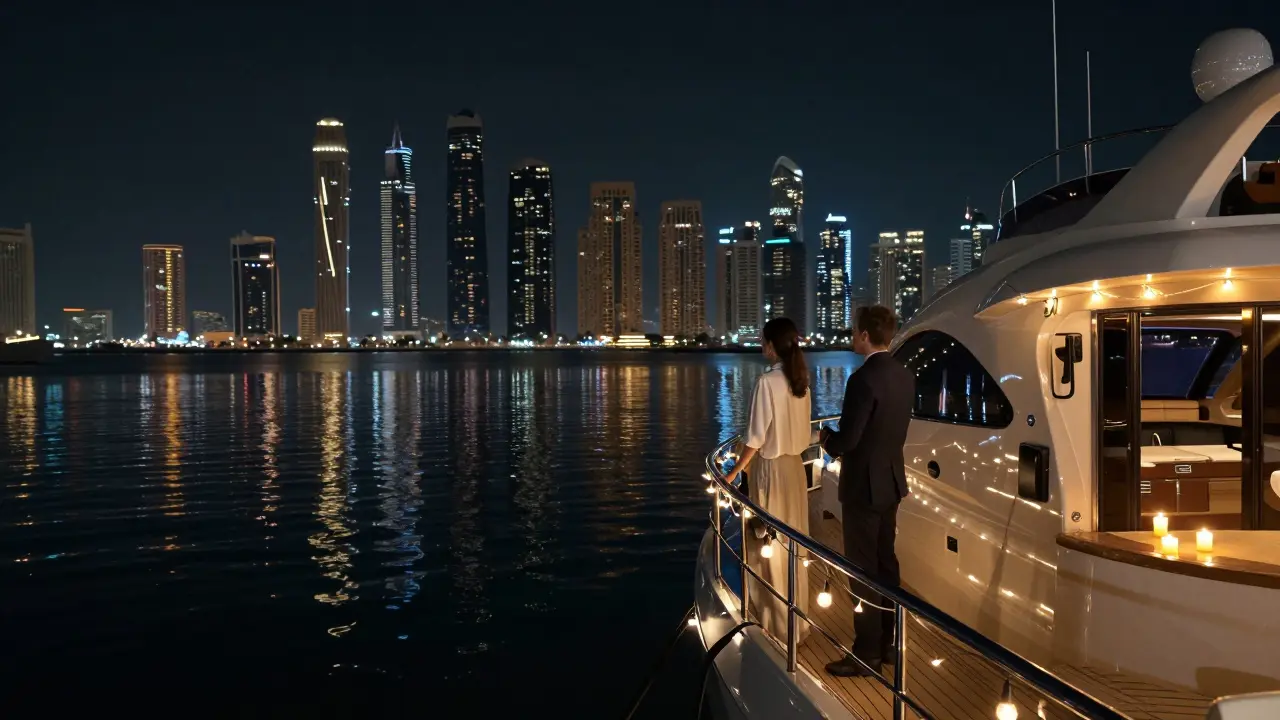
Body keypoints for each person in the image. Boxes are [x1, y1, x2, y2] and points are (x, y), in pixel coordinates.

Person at [820, 305, 915, 677]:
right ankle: (890, 645)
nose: (851, 337)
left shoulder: (862, 380)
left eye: (853, 332)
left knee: (862, 571)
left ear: (863, 335)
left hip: (862, 488)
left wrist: (825, 437)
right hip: (891, 482)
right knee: (886, 565)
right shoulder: (904, 376)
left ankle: (867, 654)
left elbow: (848, 441)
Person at [723, 317, 812, 641]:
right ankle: (797, 621)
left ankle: (777, 624)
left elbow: (756, 438)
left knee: (769, 542)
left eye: (764, 341)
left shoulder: (767, 382)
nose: (762, 346)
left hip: (772, 470)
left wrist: (733, 472)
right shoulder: (801, 381)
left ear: (772, 345)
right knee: (793, 543)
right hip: (795, 470)